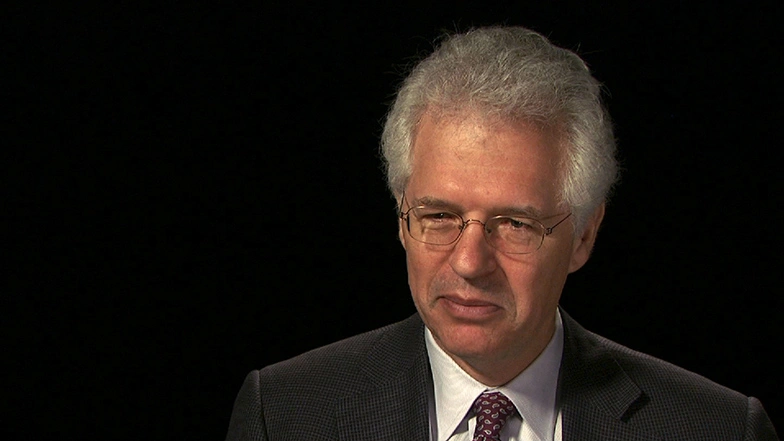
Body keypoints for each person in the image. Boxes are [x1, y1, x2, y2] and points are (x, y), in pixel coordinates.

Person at [225, 26, 778, 441]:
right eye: (439, 216)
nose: (469, 262)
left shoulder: (719, 429)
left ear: (584, 235)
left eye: (515, 224)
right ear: (401, 218)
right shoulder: (286, 414)